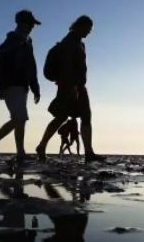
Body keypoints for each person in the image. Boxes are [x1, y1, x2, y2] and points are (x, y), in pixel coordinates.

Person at [35, 16, 103, 163]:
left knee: (86, 116)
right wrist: (72, 87)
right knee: (61, 117)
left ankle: (89, 153)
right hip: (69, 86)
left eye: (90, 30)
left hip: (79, 85)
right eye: (87, 29)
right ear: (79, 26)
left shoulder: (80, 44)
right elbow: (66, 67)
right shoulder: (68, 43)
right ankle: (41, 146)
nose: (89, 32)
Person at [0, 10, 42, 163]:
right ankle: (19, 152)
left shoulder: (27, 42)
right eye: (29, 23)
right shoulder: (11, 41)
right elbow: (2, 67)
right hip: (11, 85)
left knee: (19, 119)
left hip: (22, 86)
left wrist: (35, 87)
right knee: (20, 118)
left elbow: (32, 66)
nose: (31, 27)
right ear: (20, 23)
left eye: (33, 25)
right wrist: (1, 86)